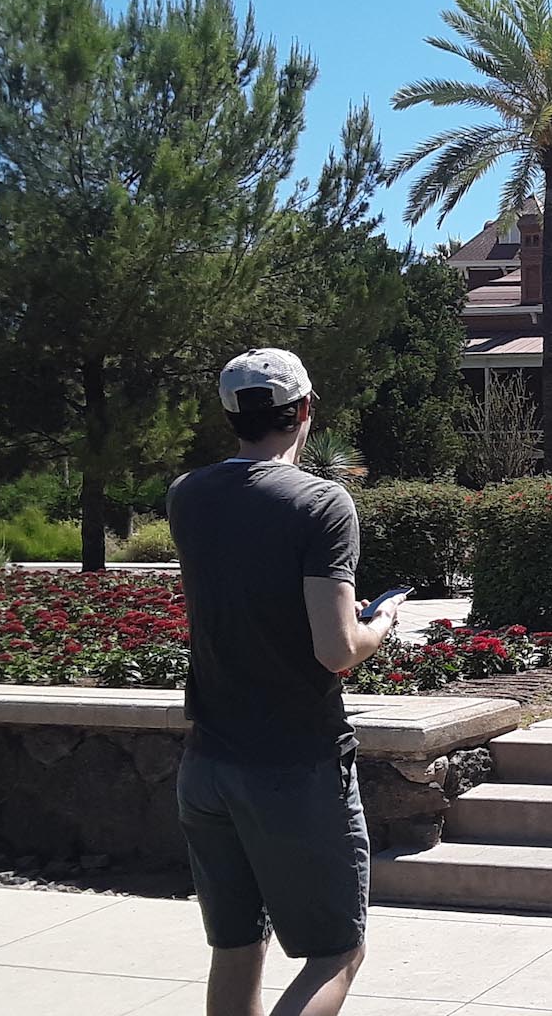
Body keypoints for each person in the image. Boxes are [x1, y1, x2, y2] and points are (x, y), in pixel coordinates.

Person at [167, 348, 406, 1016]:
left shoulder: (188, 494)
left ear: (231, 417)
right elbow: (335, 650)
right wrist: (380, 623)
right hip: (294, 764)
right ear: (304, 411)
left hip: (207, 762)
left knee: (237, 947)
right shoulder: (322, 505)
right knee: (336, 952)